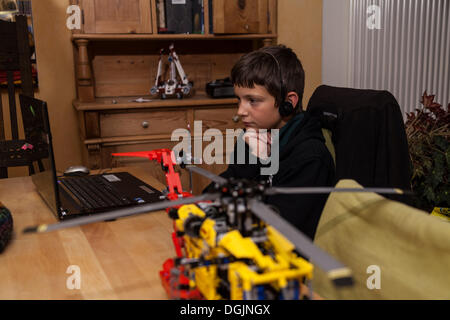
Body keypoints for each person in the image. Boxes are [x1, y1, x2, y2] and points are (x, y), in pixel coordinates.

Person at [205, 45, 335, 240]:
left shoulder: (310, 159)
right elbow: (228, 183)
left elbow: (279, 229)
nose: (241, 111)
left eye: (253, 100)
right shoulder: (253, 137)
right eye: (239, 100)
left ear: (288, 102)